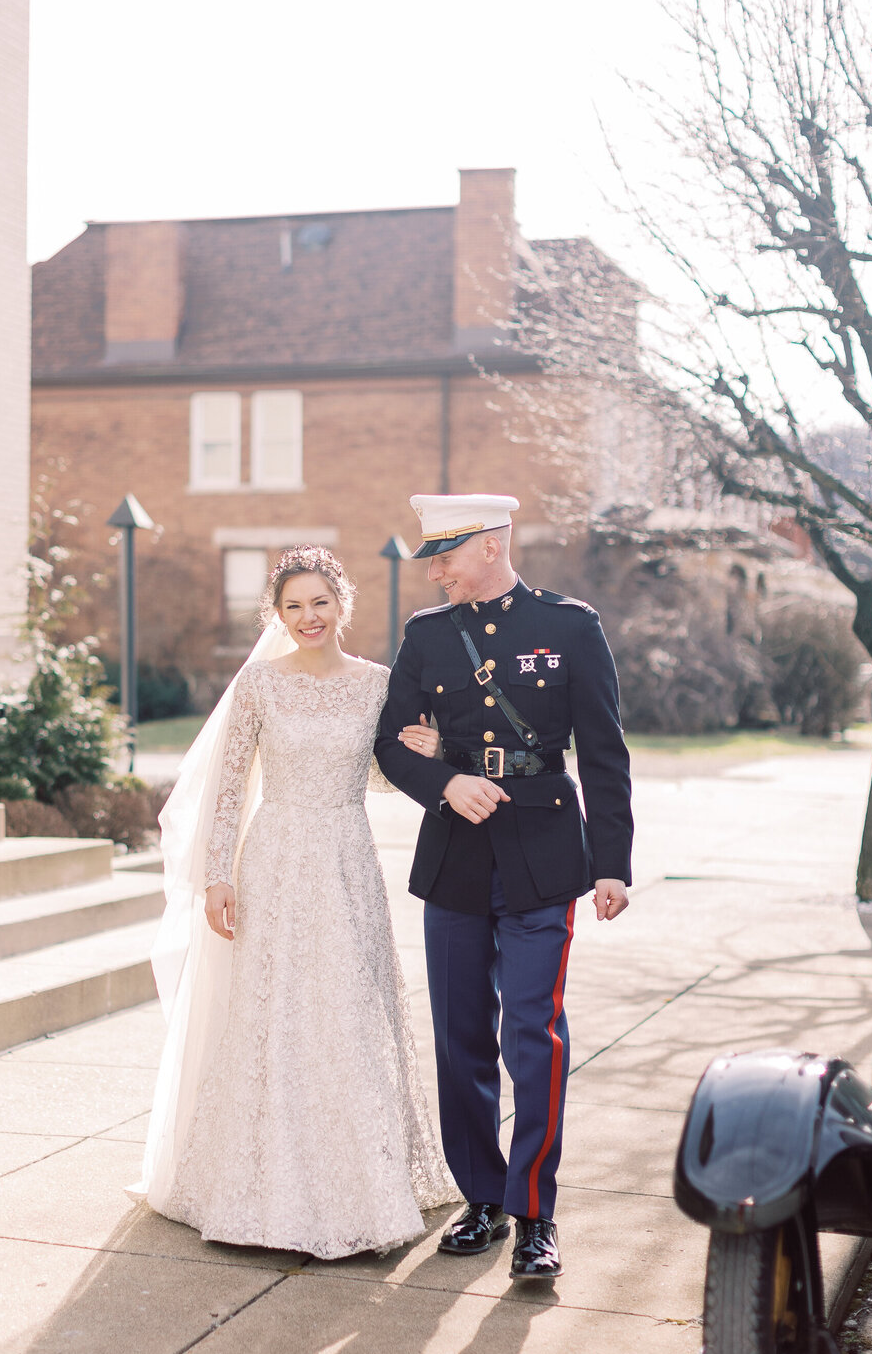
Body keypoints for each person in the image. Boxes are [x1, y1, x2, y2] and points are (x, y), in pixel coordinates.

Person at [132, 544, 455, 1258]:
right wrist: (217, 874)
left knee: (346, 1010)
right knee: (276, 1013)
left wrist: (425, 752)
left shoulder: (376, 684)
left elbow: (376, 773)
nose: (308, 616)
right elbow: (228, 785)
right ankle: (262, 1187)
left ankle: (362, 1186)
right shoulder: (259, 686)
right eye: (293, 606)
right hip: (274, 860)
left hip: (344, 859)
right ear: (276, 615)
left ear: (342, 603)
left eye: (320, 602)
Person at [375, 493, 634, 1280]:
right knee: (459, 1035)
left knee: (534, 1036)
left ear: (490, 545)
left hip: (545, 852)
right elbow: (390, 741)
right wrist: (444, 781)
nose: (436, 571)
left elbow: (603, 749)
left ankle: (534, 1214)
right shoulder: (426, 635)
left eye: (445, 556)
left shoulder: (569, 626)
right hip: (455, 851)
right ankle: (480, 1198)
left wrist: (612, 861)